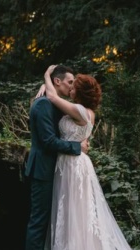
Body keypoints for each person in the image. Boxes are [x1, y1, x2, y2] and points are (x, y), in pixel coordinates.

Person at [40, 65, 132, 250]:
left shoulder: (79, 112)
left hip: (72, 164)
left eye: (74, 87)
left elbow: (52, 97)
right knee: (76, 210)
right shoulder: (89, 113)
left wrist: (46, 77)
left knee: (73, 210)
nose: (71, 88)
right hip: (76, 161)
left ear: (80, 92)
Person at [24, 65, 89, 250]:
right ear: (57, 82)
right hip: (42, 170)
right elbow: (48, 141)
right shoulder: (43, 103)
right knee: (39, 222)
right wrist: (78, 147)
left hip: (55, 170)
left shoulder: (51, 102)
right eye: (70, 82)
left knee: (50, 221)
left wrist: (46, 86)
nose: (72, 87)